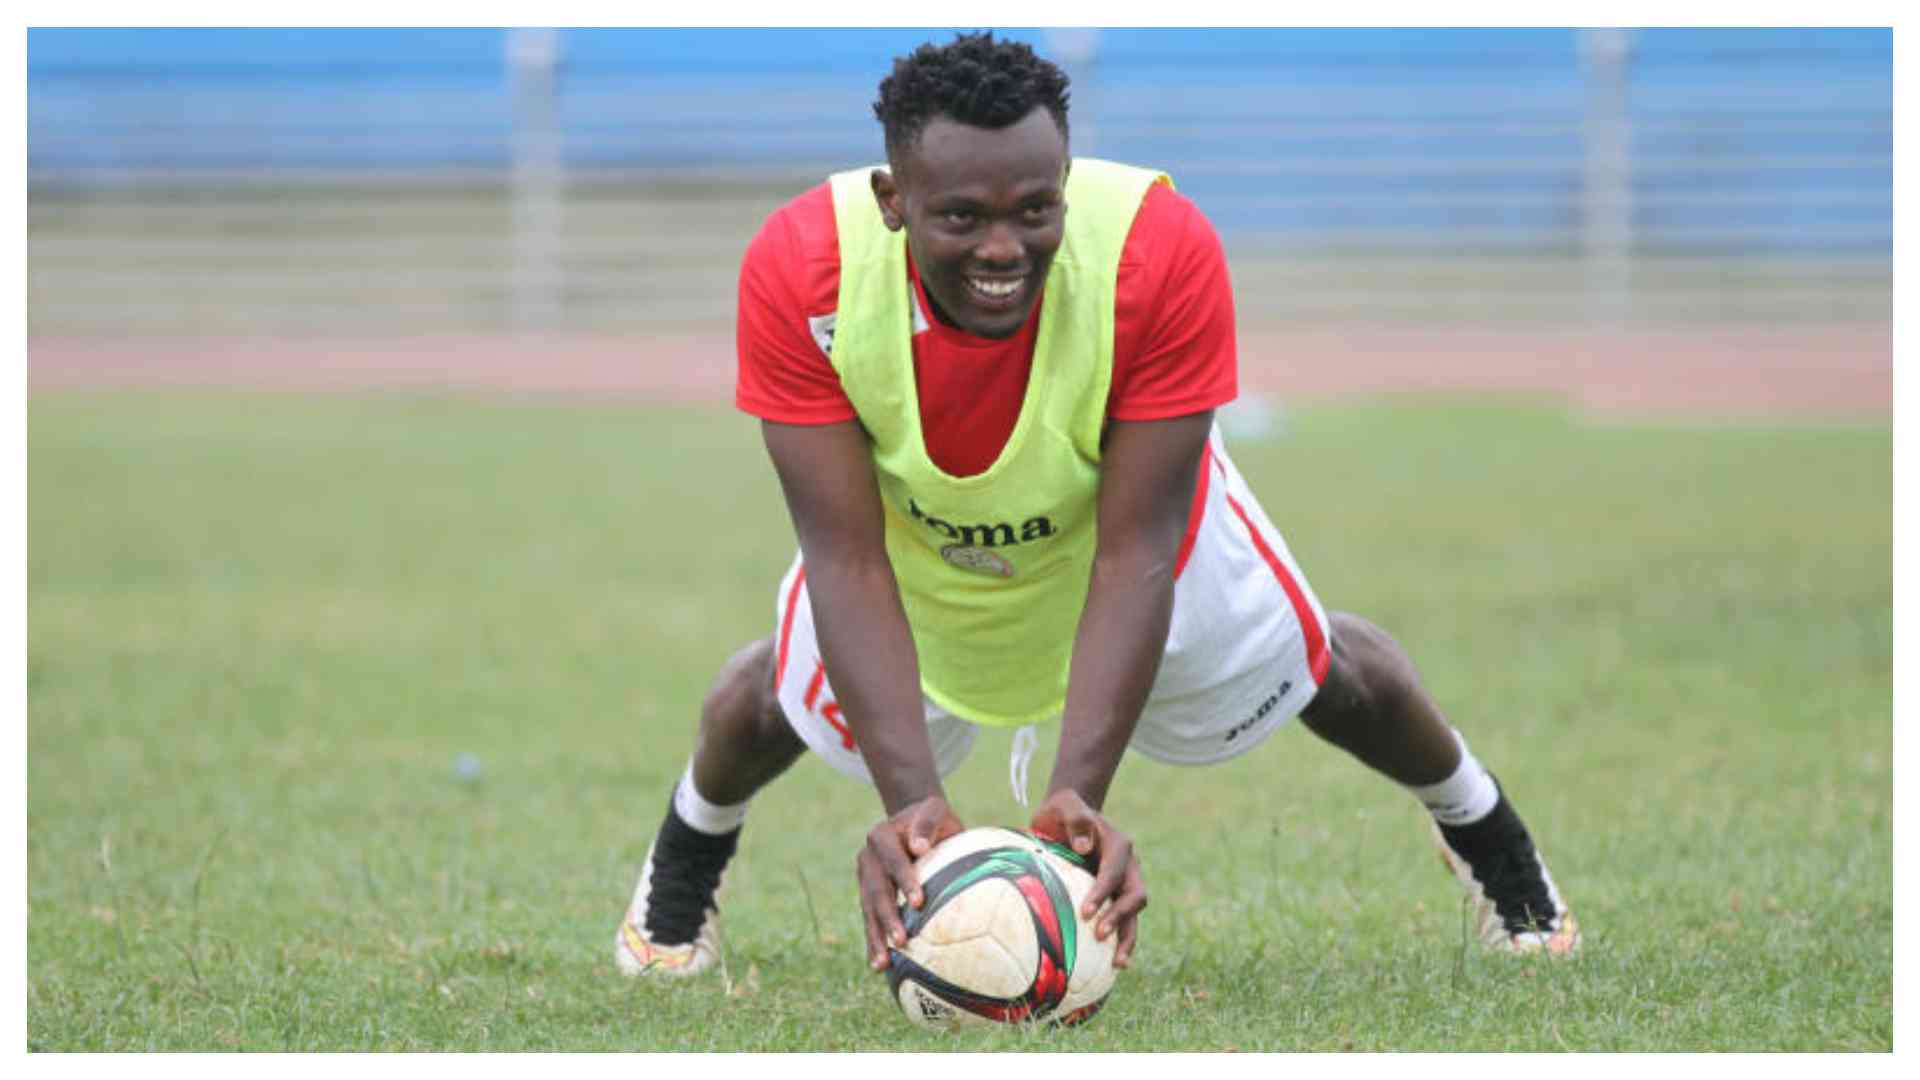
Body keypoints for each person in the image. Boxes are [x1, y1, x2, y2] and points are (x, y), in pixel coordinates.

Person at [614, 32, 1579, 982]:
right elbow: (844, 558)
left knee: (1329, 669)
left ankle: (1491, 841)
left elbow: (1139, 550)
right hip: (905, 530)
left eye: (1037, 209)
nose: (1004, 247)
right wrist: (913, 811)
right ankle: (686, 868)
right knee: (767, 700)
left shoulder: (1158, 250)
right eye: (961, 218)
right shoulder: (801, 266)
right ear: (893, 201)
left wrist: (1076, 796)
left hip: (1121, 519)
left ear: (1067, 184)